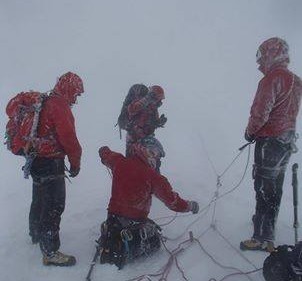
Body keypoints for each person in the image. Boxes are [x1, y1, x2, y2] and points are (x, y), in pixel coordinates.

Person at [98, 136, 199, 269]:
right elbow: (173, 202)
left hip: (112, 219)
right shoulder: (154, 177)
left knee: (147, 225)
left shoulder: (119, 162)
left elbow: (107, 156)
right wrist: (190, 206)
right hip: (134, 224)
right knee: (155, 240)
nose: (157, 160)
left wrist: (103, 151)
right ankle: (126, 248)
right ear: (148, 152)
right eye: (156, 155)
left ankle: (112, 240)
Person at [240, 37, 302, 252]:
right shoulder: (296, 80)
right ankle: (268, 229)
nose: (259, 63)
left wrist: (250, 132)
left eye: (262, 56)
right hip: (286, 141)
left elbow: (261, 111)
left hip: (270, 143)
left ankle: (261, 239)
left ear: (271, 53)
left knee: (264, 189)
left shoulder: (272, 79)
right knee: (275, 188)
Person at [28, 72, 84, 266]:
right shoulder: (59, 106)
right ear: (69, 89)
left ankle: (36, 233)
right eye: (75, 94)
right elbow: (69, 138)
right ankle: (50, 252)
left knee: (39, 199)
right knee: (54, 206)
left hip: (36, 160)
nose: (76, 99)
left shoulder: (46, 100)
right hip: (51, 163)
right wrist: (75, 163)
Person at [125, 85, 167, 156]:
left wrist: (159, 122)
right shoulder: (141, 103)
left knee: (158, 151)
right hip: (134, 138)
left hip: (145, 138)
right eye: (158, 99)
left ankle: (152, 164)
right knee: (136, 157)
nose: (159, 101)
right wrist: (147, 99)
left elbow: (152, 124)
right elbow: (132, 110)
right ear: (153, 96)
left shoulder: (154, 110)